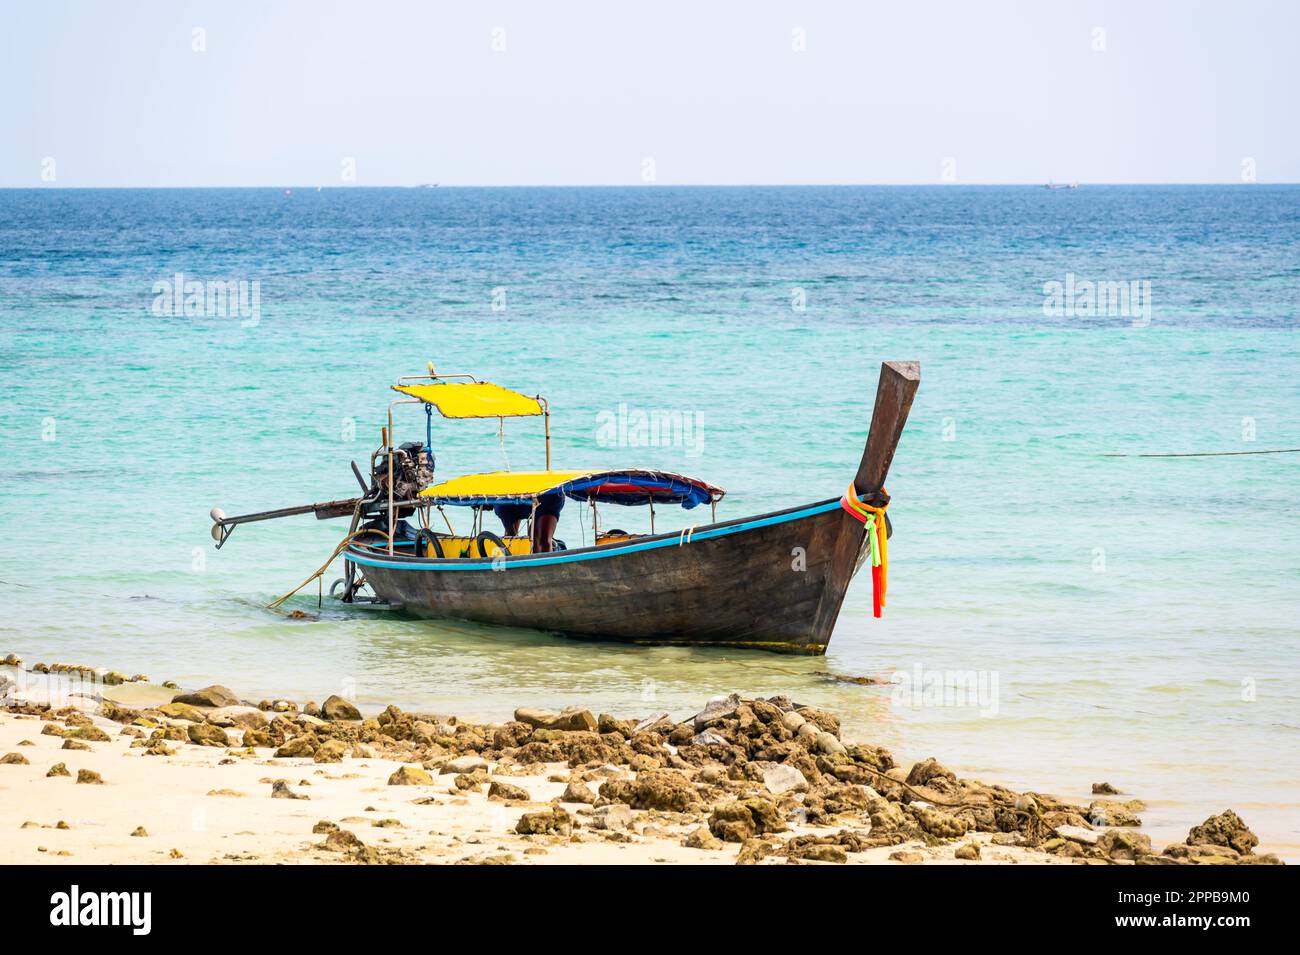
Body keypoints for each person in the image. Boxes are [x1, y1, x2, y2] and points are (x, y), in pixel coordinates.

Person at [493, 492, 565, 553]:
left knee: (539, 540)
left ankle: (545, 565)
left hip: (546, 494)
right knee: (510, 539)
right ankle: (515, 565)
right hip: (511, 494)